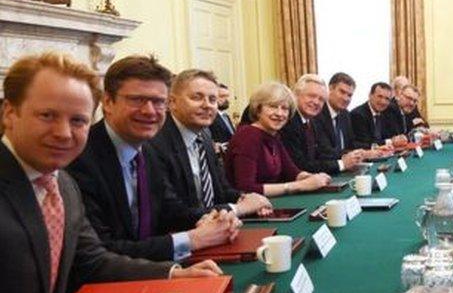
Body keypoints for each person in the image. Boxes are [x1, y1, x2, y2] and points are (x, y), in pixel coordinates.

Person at [0, 53, 221, 293]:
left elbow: (92, 259)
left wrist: (172, 274)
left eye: (78, 120)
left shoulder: (62, 183)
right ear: (8, 113)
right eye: (47, 116)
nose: (64, 133)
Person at [68, 55, 241, 262]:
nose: (149, 111)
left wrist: (214, 220)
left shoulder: (147, 149)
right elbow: (102, 250)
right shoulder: (80, 156)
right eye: (137, 100)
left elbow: (170, 210)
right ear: (107, 102)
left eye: (158, 102)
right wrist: (192, 239)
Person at [147, 69, 272, 217]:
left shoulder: (205, 134)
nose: (207, 105)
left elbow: (222, 189)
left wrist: (245, 198)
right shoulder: (155, 141)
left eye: (212, 100)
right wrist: (238, 209)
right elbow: (171, 212)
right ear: (172, 102)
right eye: (197, 97)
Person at [224, 82, 332, 196]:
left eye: (285, 108)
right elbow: (246, 188)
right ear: (258, 109)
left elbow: (292, 172)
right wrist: (300, 186)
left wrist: (311, 177)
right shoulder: (247, 136)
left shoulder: (273, 135)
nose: (280, 113)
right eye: (273, 106)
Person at [279, 74, 364, 175]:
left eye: (321, 99)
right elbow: (300, 165)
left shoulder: (311, 121)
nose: (316, 102)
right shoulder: (288, 121)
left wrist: (350, 156)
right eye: (311, 96)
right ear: (296, 95)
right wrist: (341, 164)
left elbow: (322, 153)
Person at [350, 82, 407, 149]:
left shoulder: (385, 113)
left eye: (387, 99)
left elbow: (389, 135)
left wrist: (398, 139)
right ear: (370, 95)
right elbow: (366, 143)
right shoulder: (358, 115)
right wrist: (390, 141)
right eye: (380, 96)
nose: (383, 102)